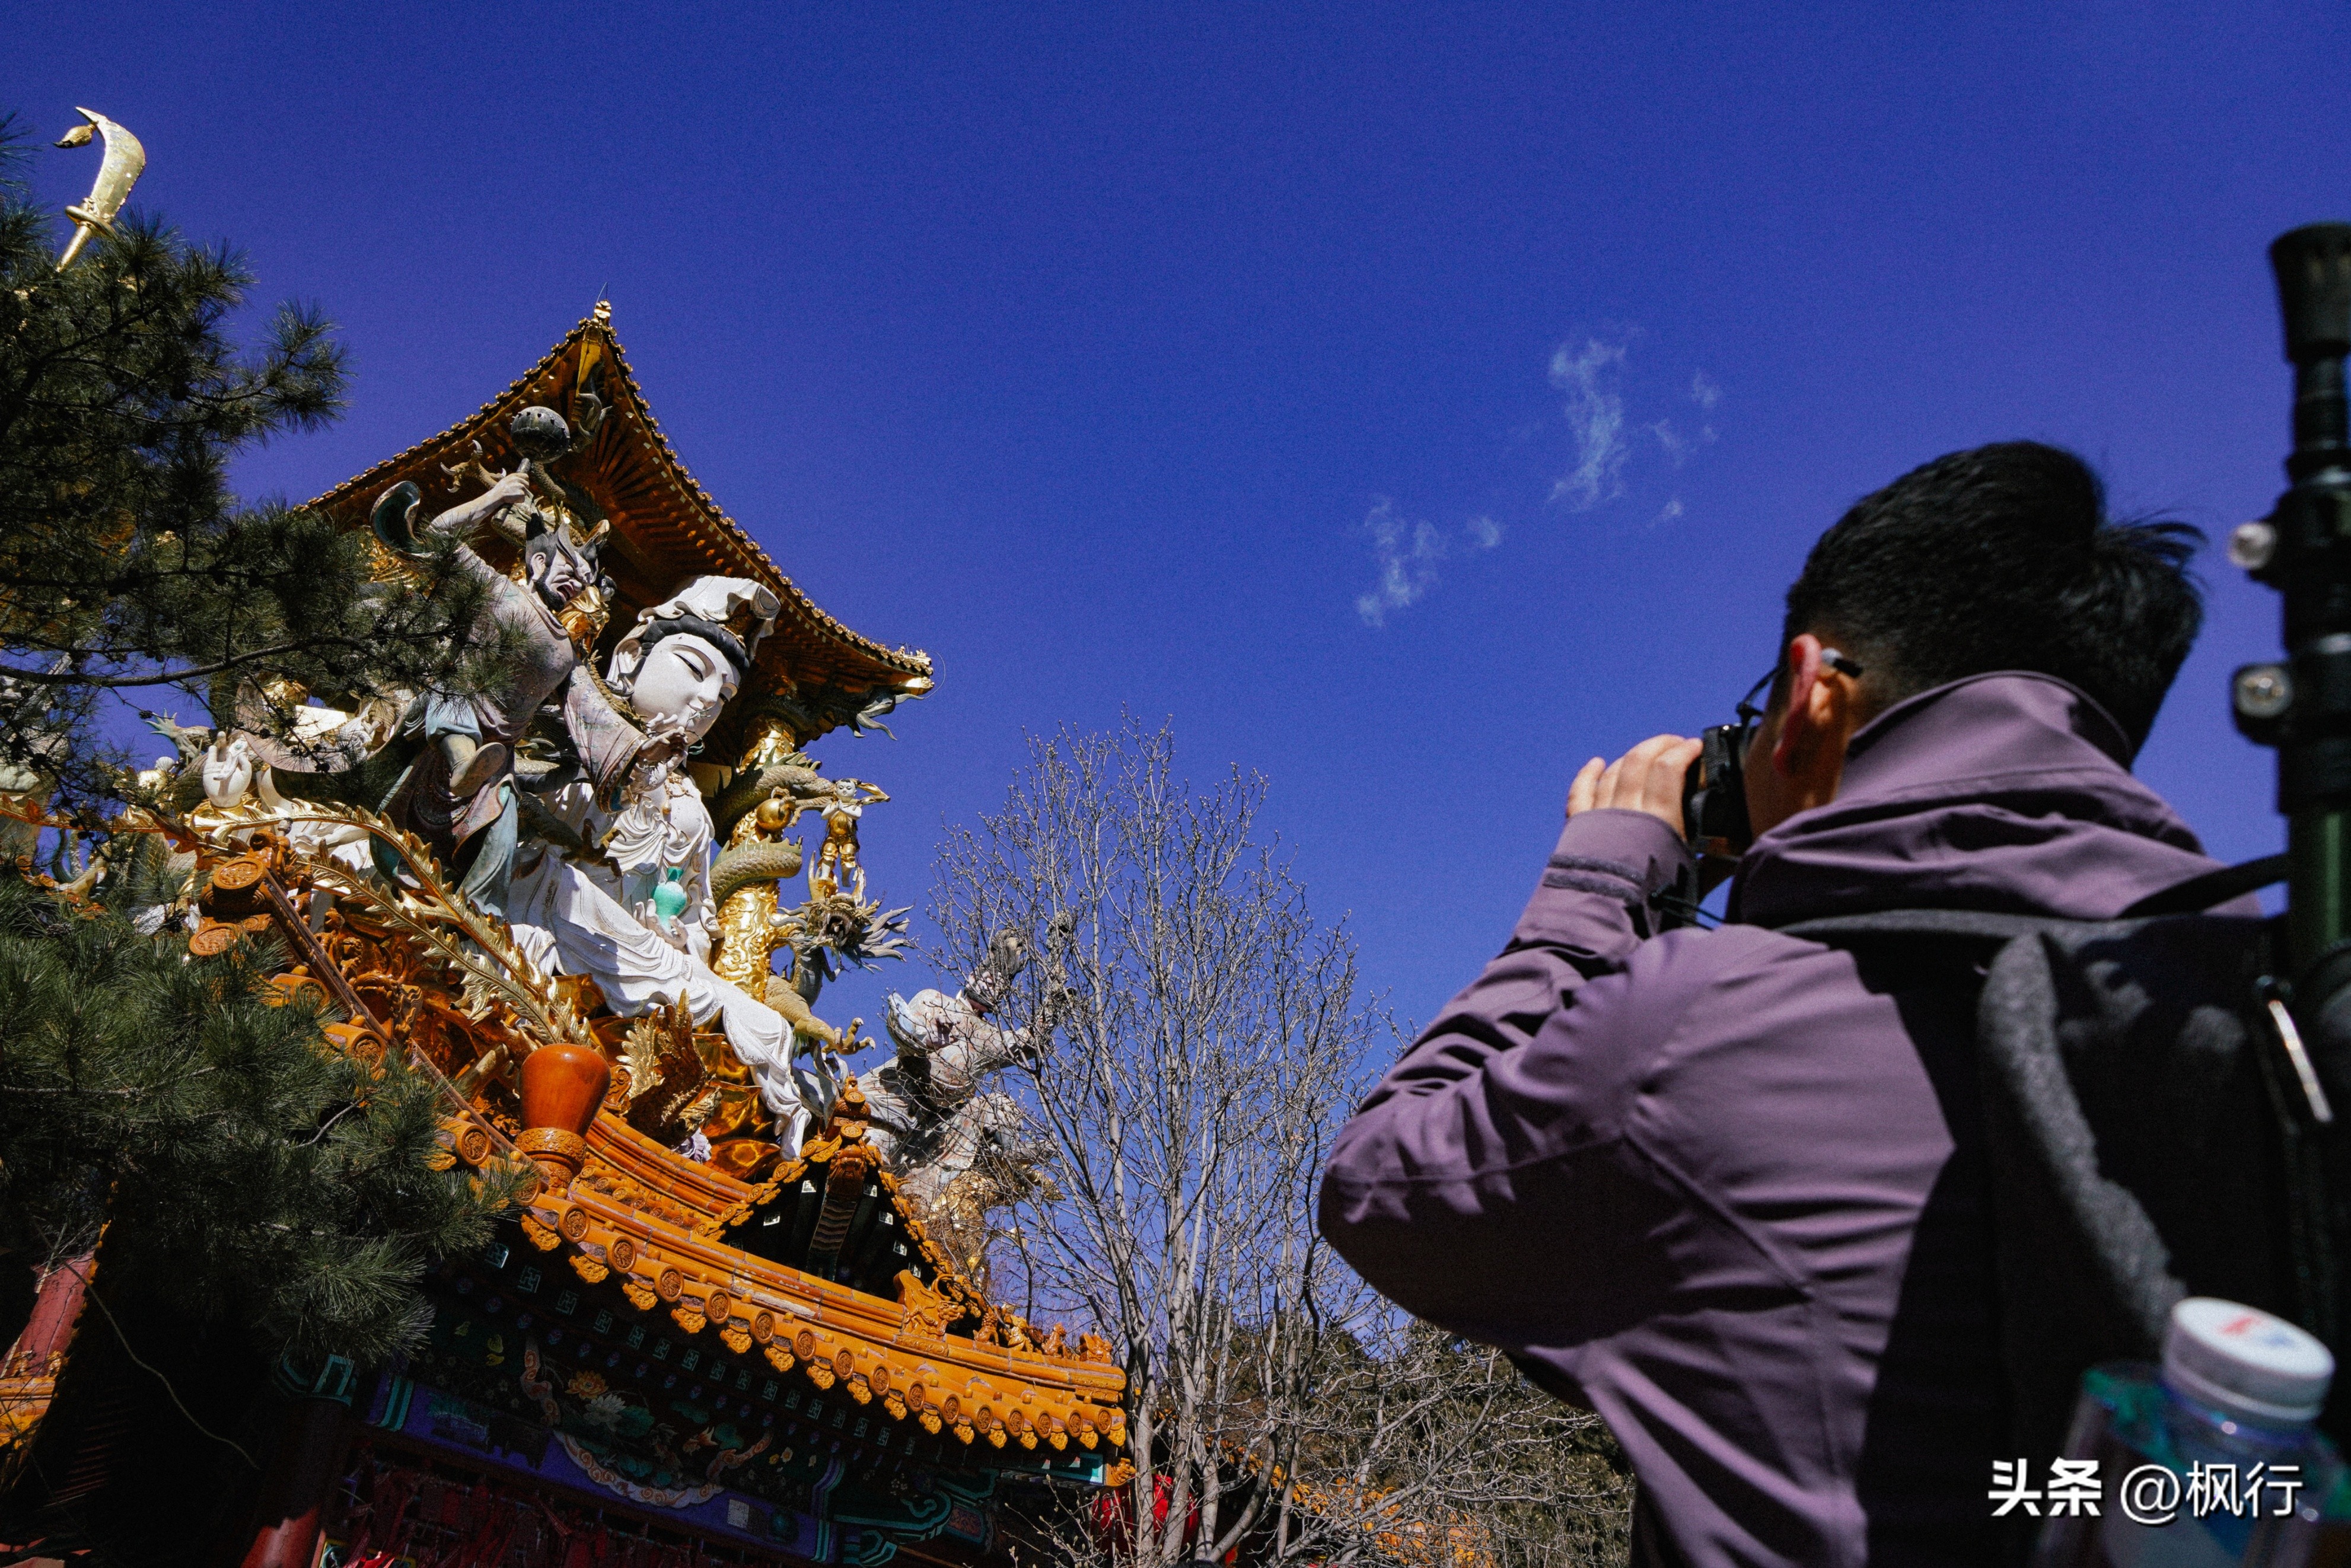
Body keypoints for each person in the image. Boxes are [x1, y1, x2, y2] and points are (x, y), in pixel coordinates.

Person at [1318, 442, 2224, 1567]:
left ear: (1811, 693)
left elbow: (1378, 1186)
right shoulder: (2255, 1019)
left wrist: (1602, 883)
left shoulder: (1697, 1035)